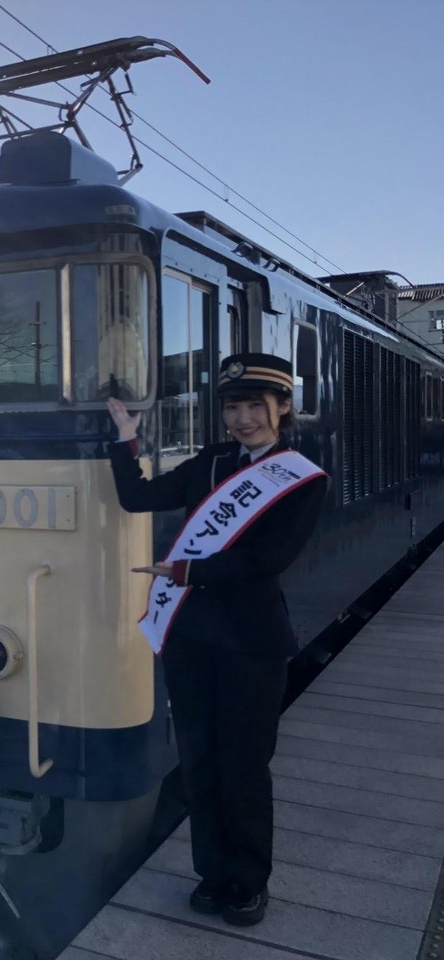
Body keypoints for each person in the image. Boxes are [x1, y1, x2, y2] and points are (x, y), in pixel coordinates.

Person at [106, 352, 327, 927]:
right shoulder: (212, 462)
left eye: (256, 405)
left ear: (282, 407)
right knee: (199, 764)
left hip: (251, 646)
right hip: (192, 640)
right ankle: (211, 875)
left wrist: (187, 572)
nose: (243, 419)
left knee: (244, 768)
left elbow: (265, 560)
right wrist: (125, 440)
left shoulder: (300, 478)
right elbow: (138, 498)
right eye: (232, 408)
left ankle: (248, 884)